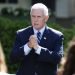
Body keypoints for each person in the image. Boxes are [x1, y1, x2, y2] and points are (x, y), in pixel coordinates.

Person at [10, 3, 64, 75]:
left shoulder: (57, 36)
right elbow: (13, 58)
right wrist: (28, 46)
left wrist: (38, 49)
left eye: (39, 17)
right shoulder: (21, 34)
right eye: (33, 16)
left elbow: (58, 59)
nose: (35, 20)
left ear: (46, 18)